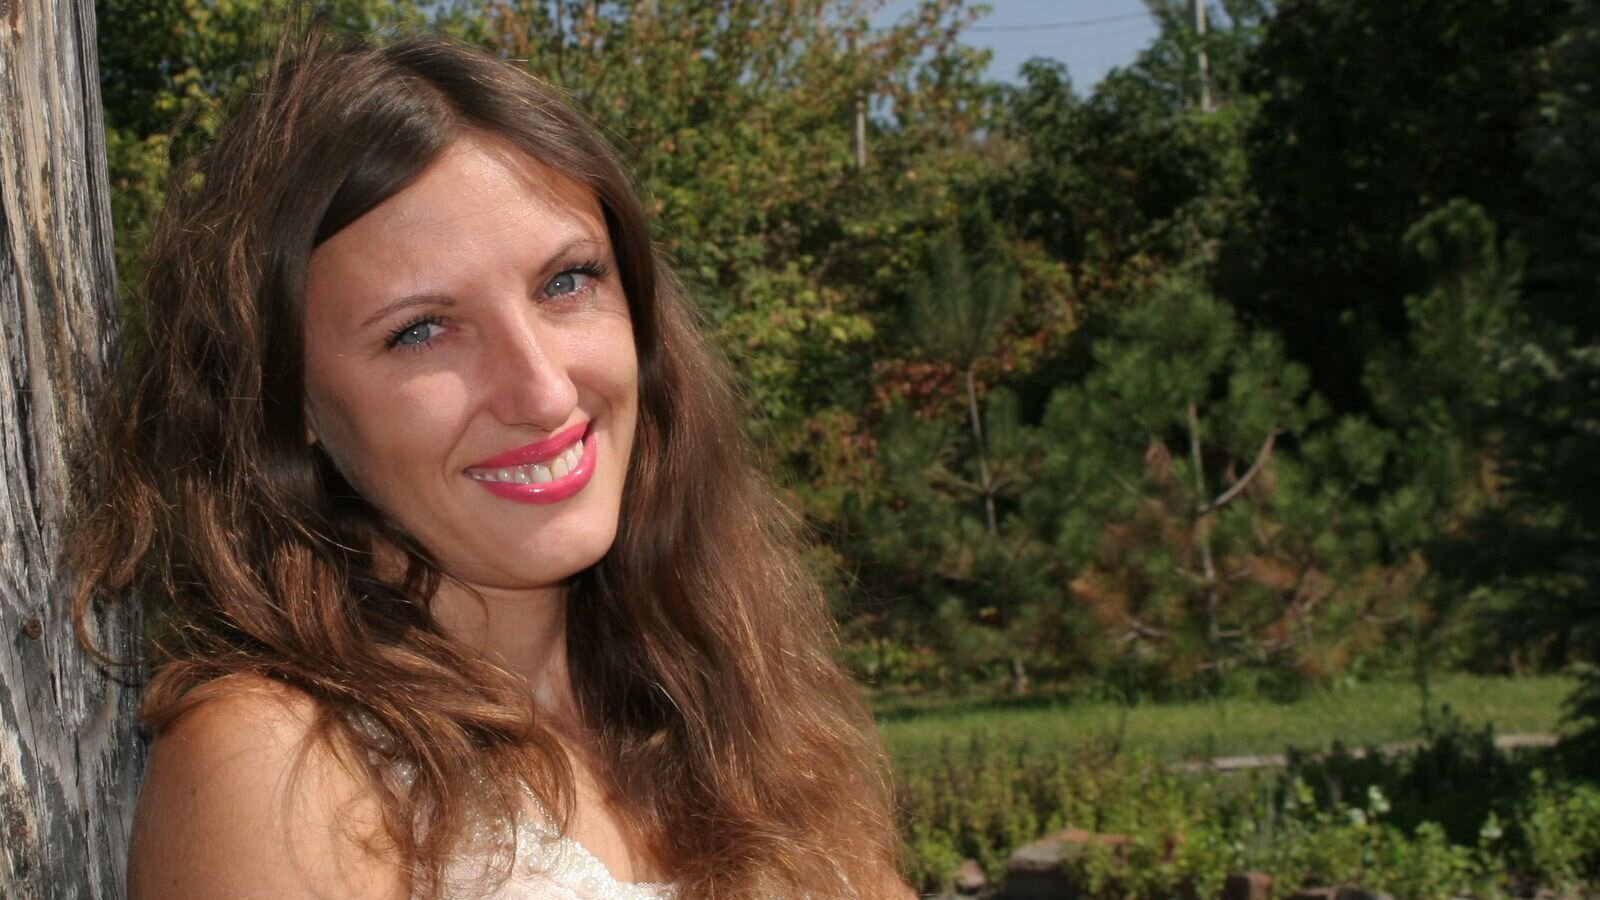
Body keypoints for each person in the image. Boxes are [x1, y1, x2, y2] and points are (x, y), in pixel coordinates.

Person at [70, 27, 912, 900]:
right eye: (422, 331)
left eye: (566, 282)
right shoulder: (282, 769)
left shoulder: (739, 719)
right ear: (291, 404)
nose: (544, 391)